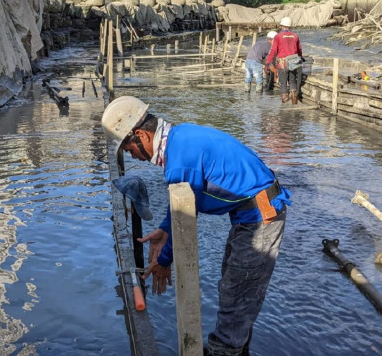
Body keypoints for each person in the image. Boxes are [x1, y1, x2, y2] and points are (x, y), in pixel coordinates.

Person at [101, 96, 292, 356]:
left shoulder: (179, 160)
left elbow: (186, 219)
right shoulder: (180, 139)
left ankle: (224, 351)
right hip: (248, 213)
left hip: (260, 214)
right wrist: (165, 230)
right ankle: (234, 347)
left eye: (129, 149)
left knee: (238, 292)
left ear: (141, 136)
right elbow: (182, 200)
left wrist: (164, 259)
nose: (133, 156)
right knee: (232, 287)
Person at [265, 16, 303, 105]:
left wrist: (268, 63)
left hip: (282, 62)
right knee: (292, 81)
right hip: (294, 61)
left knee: (283, 82)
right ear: (290, 26)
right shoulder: (295, 36)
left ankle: (285, 102)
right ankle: (294, 100)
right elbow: (299, 50)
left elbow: (273, 51)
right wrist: (300, 58)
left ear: (281, 25)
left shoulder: (278, 37)